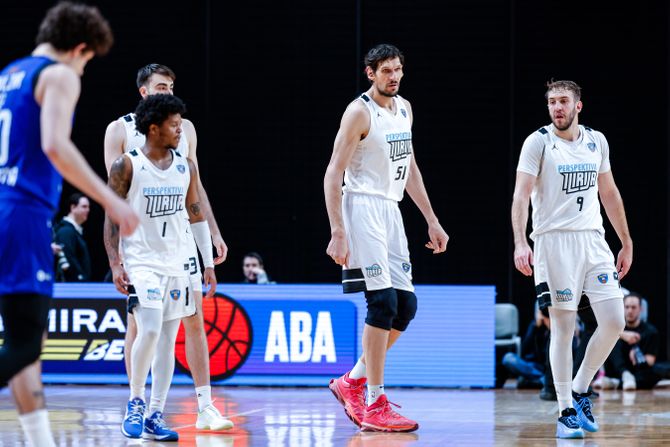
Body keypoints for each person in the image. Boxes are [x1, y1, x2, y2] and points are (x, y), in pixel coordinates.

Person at [0, 3, 138, 447]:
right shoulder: (58, 74)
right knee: (26, 345)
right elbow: (55, 146)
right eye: (87, 61)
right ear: (79, 48)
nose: (83, 70)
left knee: (23, 343)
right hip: (22, 215)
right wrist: (111, 201)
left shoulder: (10, 73)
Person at [324, 44, 449, 433]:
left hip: (390, 211)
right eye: (386, 71)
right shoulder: (359, 112)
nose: (394, 76)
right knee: (382, 302)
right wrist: (338, 230)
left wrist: (431, 219)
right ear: (370, 73)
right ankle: (374, 401)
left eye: (398, 70)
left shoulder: (405, 109)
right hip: (361, 207)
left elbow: (409, 167)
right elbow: (333, 173)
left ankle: (352, 380)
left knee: (405, 306)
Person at [103, 63, 232, 431]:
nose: (179, 129)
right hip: (141, 253)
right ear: (145, 93)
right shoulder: (124, 147)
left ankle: (167, 411)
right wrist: (115, 260)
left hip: (178, 252)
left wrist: (209, 254)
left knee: (174, 332)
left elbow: (195, 204)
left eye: (172, 85)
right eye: (162, 86)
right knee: (146, 327)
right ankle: (135, 402)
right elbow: (112, 205)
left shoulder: (184, 157)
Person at [512, 80, 632, 439]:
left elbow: (609, 193)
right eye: (552, 102)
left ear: (578, 105)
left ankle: (580, 388)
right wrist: (520, 242)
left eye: (563, 101)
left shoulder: (597, 141)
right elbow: (521, 196)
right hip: (554, 243)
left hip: (593, 241)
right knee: (563, 328)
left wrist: (625, 241)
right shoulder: (538, 142)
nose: (557, 107)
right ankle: (565, 410)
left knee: (614, 321)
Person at [597, 293, 661, 390]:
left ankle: (616, 383)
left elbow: (650, 361)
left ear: (640, 309)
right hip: (617, 369)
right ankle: (624, 374)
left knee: (654, 374)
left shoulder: (651, 331)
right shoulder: (615, 328)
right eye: (627, 307)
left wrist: (637, 354)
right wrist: (622, 335)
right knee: (612, 337)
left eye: (633, 307)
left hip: (637, 370)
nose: (630, 311)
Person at [502, 304, 550, 389]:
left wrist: (550, 329)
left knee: (522, 380)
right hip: (531, 367)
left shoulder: (557, 328)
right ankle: (543, 380)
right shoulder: (534, 326)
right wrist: (535, 328)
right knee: (508, 358)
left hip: (549, 369)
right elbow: (523, 350)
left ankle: (537, 381)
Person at [53, 192, 92, 281]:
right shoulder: (66, 231)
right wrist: (80, 279)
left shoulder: (73, 231)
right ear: (73, 207)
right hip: (72, 286)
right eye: (84, 206)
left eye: (88, 207)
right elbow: (68, 260)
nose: (88, 210)